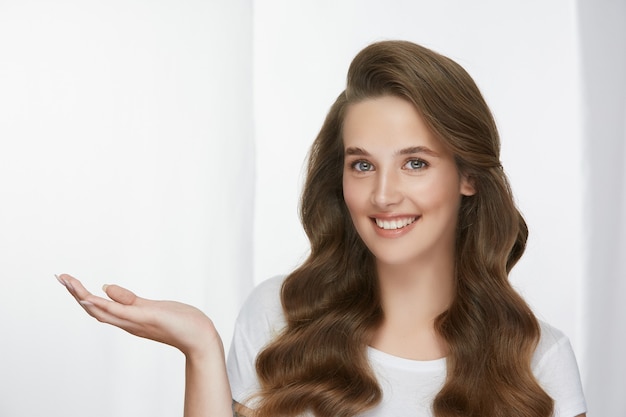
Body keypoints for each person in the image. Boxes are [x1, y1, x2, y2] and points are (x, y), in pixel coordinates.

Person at [59, 40, 587, 417]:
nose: (383, 195)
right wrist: (200, 347)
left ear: (468, 175)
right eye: (362, 165)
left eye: (416, 163)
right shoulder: (278, 317)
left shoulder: (539, 361)